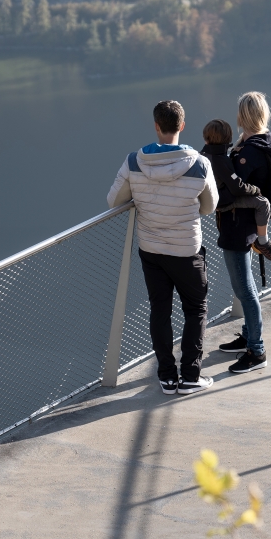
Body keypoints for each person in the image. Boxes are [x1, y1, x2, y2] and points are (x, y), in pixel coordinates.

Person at [107, 100, 219, 394]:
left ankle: (167, 377)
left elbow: (114, 201)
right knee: (195, 310)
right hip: (187, 250)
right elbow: (209, 207)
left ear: (156, 126)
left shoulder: (134, 162)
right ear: (182, 126)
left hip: (152, 249)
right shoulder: (199, 164)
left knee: (160, 309)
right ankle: (191, 376)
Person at [214, 92, 271, 375]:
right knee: (246, 287)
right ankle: (247, 335)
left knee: (244, 289)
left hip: (238, 226)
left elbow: (230, 190)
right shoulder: (266, 143)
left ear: (242, 117)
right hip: (249, 224)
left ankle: (257, 351)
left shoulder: (249, 152)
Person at [200, 119, 271, 261]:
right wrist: (255, 189)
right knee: (262, 203)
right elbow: (237, 186)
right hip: (224, 201)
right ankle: (262, 241)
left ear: (206, 138)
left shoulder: (201, 156)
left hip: (210, 199)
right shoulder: (222, 161)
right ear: (228, 139)